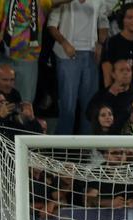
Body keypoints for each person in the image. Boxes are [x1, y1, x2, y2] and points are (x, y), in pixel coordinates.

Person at [46, 0, 110, 134]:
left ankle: (87, 144)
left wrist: (100, 44)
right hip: (67, 55)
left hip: (91, 55)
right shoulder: (64, 2)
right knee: (67, 106)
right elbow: (52, 25)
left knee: (90, 106)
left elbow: (103, 22)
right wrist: (64, 43)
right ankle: (63, 144)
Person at [0, 0, 65, 103]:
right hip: (4, 56)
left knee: (25, 103)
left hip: (27, 60)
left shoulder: (41, 1)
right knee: (0, 101)